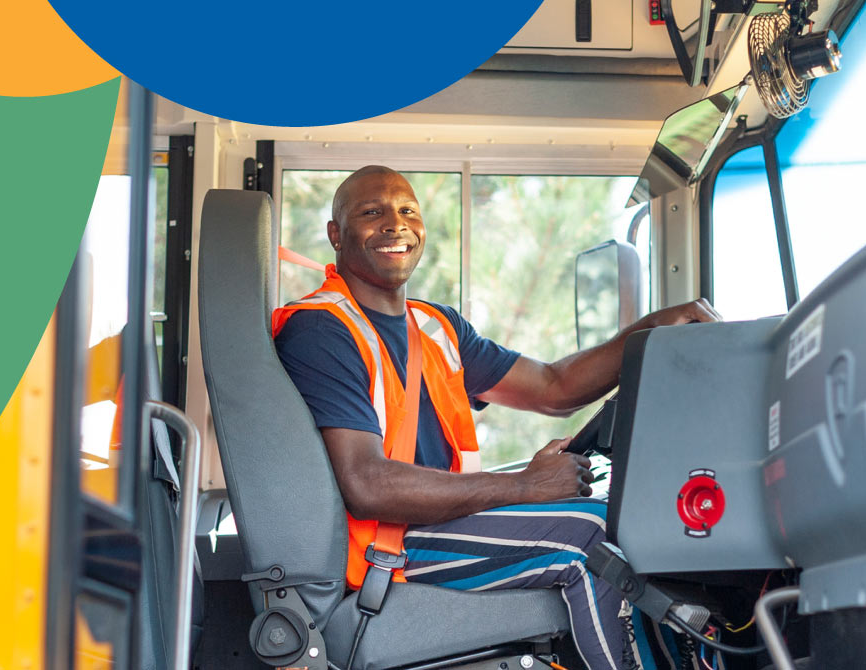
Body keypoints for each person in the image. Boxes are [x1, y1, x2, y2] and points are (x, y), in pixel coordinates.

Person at [272, 166, 721, 670]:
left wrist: (651, 330)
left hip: (443, 519)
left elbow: (555, 388)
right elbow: (367, 483)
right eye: (371, 213)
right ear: (337, 234)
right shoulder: (321, 330)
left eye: (407, 211)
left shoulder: (436, 326)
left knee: (629, 515)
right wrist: (524, 487)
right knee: (589, 538)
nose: (395, 225)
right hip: (390, 542)